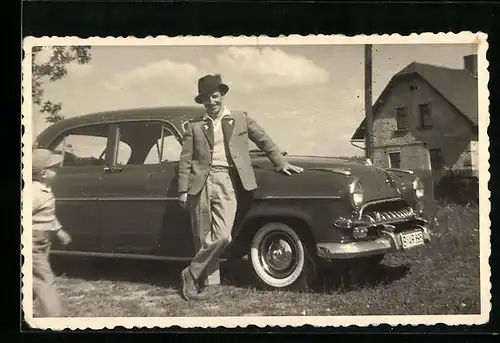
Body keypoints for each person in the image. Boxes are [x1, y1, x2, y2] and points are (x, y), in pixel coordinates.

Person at [178, 74, 303, 301]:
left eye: (214, 96)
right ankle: (211, 284)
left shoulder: (241, 119)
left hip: (227, 180)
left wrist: (280, 162)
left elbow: (263, 140)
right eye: (206, 99)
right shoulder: (194, 127)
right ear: (202, 102)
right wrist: (183, 190)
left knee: (223, 235)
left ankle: (191, 272)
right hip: (200, 184)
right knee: (203, 235)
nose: (211, 102)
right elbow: (186, 160)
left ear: (222, 95)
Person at [32, 148, 72, 316]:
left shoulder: (44, 189)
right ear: (43, 173)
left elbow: (48, 214)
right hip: (32, 241)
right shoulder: (34, 193)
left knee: (33, 277)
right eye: (54, 167)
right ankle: (54, 319)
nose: (58, 170)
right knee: (44, 279)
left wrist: (59, 230)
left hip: (43, 240)